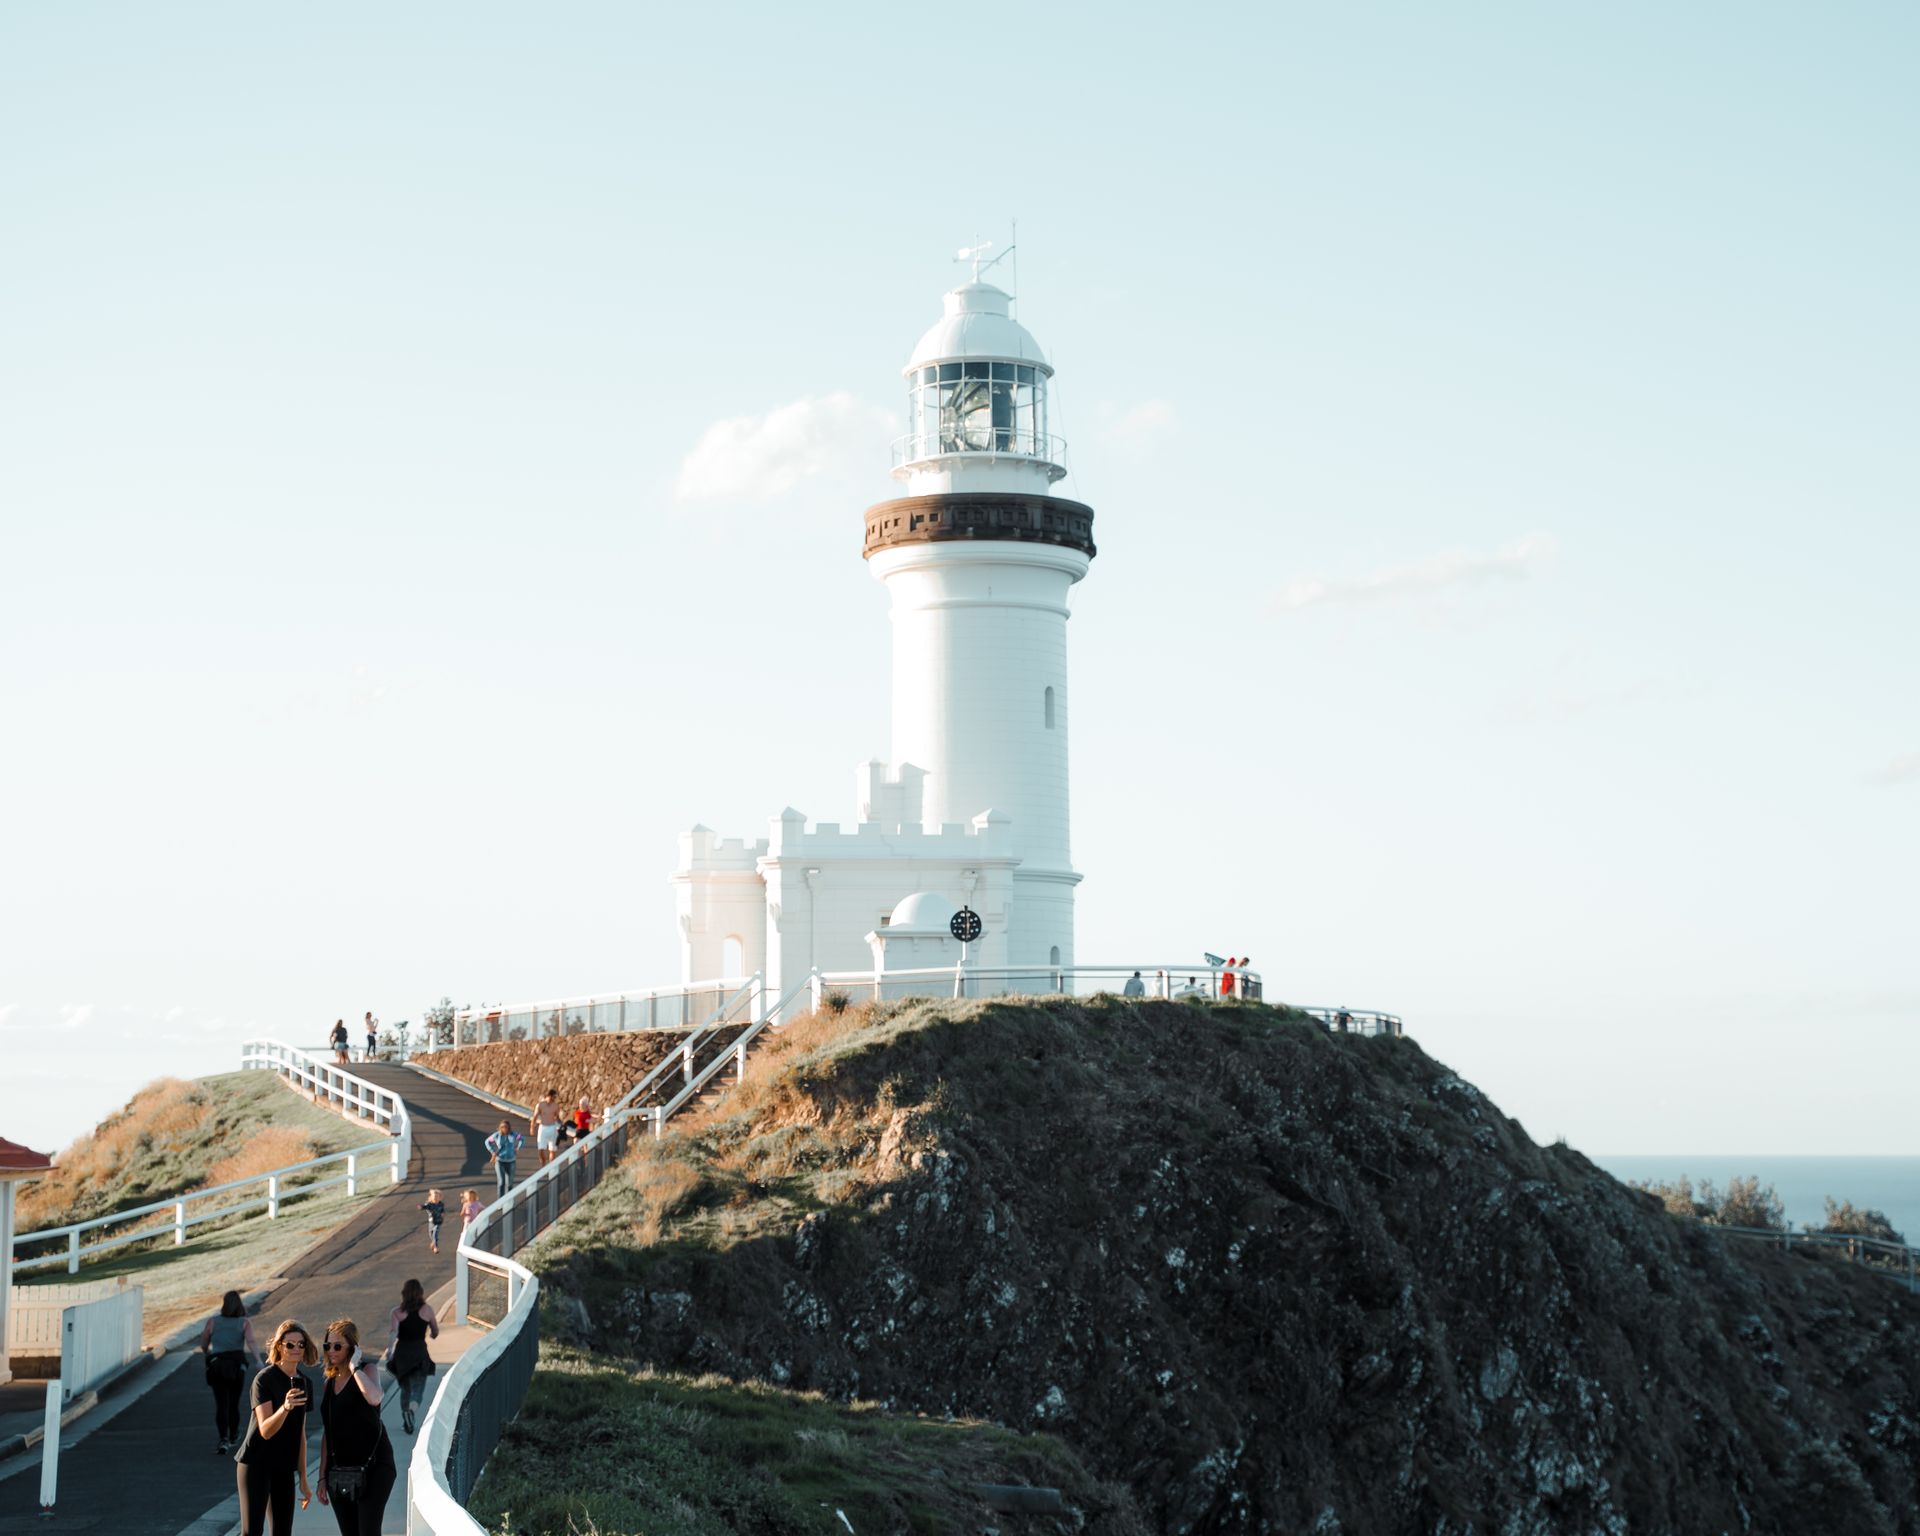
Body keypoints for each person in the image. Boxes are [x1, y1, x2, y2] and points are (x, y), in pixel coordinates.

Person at [233, 1318, 317, 1536]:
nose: (296, 1348)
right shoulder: (265, 1379)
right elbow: (266, 1430)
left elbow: (300, 1435)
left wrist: (304, 1480)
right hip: (256, 1464)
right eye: (290, 1344)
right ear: (279, 1346)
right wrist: (285, 1407)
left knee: (282, 1531)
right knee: (252, 1532)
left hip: (283, 1468)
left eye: (301, 1344)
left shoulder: (305, 1383)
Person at [316, 1318, 394, 1536]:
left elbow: (375, 1397)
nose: (331, 1351)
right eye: (328, 1346)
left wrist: (355, 1367)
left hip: (375, 1466)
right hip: (340, 1471)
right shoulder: (329, 1383)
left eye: (338, 1346)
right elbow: (328, 1433)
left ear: (353, 1347)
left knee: (368, 1531)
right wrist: (322, 1476)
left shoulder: (367, 1371)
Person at [201, 1289, 260, 1453]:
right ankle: (234, 1435)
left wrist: (207, 1352)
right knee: (233, 1403)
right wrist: (258, 1360)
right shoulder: (244, 1322)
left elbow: (204, 1340)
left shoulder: (213, 1321)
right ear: (239, 1304)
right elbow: (251, 1341)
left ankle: (223, 1439)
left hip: (217, 1366)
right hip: (237, 1366)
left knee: (221, 1404)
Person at [383, 1278, 440, 1435]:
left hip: (402, 1354)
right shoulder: (427, 1310)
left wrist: (389, 1350)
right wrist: (433, 1334)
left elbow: (393, 1333)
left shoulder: (396, 1312)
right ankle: (411, 1411)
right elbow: (435, 1330)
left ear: (404, 1294)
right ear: (420, 1293)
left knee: (405, 1388)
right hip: (420, 1352)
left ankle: (405, 1418)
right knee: (418, 1390)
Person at [485, 1120, 524, 1196]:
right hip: (500, 1161)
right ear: (500, 1128)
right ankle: (500, 1203)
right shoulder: (497, 1135)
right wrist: (492, 1151)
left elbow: (522, 1139)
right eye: (502, 1127)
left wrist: (518, 1148)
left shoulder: (513, 1135)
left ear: (509, 1128)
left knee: (509, 1183)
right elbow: (487, 1142)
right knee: (501, 1183)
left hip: (511, 1161)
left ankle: (509, 1202)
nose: (504, 1129)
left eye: (506, 1127)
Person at [530, 1088, 563, 1166]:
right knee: (541, 1149)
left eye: (555, 1097)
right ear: (549, 1096)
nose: (554, 1099)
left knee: (552, 1149)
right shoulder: (540, 1105)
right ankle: (543, 1164)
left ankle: (551, 1166)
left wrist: (561, 1124)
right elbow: (535, 1116)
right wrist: (532, 1127)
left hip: (552, 1128)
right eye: (553, 1097)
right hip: (543, 1128)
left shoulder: (555, 1106)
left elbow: (557, 1117)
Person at [419, 1189, 445, 1255]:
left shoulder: (441, 1204)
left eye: (437, 1197)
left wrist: (442, 1213)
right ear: (431, 1198)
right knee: (431, 1234)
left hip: (439, 1221)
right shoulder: (429, 1204)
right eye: (434, 1197)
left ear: (440, 1198)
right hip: (432, 1221)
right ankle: (433, 1242)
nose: (436, 1199)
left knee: (435, 1233)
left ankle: (436, 1247)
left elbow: (442, 1210)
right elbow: (425, 1207)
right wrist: (421, 1207)